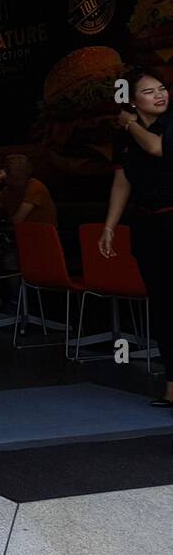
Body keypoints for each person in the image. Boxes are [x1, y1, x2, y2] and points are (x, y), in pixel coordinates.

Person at [99, 69, 172, 406]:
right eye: (149, 91)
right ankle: (171, 384)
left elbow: (157, 148)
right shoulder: (125, 139)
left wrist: (129, 123)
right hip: (147, 226)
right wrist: (110, 227)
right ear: (131, 99)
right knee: (161, 306)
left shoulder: (164, 125)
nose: (159, 95)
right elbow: (122, 182)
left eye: (162, 89)